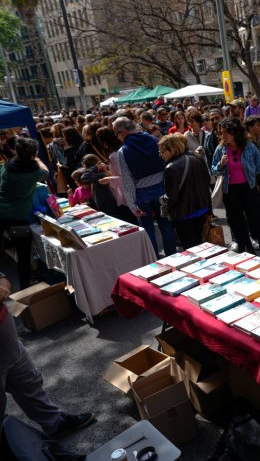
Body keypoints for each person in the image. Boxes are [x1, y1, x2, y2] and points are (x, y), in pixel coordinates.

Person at [0, 272, 95, 438]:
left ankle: (55, 423)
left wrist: (3, 287)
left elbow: (3, 278)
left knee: (29, 382)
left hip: (9, 342)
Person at [211, 117, 260, 262]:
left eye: (227, 133)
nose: (224, 136)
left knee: (259, 223)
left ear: (236, 132)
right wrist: (221, 165)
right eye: (222, 133)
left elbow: (259, 166)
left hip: (249, 188)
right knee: (238, 225)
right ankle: (247, 256)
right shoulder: (220, 148)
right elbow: (213, 170)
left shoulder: (249, 146)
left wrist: (256, 185)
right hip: (230, 191)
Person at [114, 117, 177, 257]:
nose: (117, 137)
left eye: (117, 133)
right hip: (161, 190)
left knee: (148, 231)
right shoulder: (153, 139)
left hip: (142, 194)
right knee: (166, 226)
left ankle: (154, 260)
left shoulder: (123, 151)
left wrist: (131, 204)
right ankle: (173, 256)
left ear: (124, 132)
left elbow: (127, 180)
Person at [0, 138, 49, 288]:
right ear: (33, 154)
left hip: (1, 214)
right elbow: (46, 172)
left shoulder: (8, 166)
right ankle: (25, 288)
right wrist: (38, 159)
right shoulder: (35, 172)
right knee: (24, 255)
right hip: (18, 218)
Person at [158, 133, 212, 250]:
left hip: (184, 215)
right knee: (203, 246)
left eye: (162, 151)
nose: (161, 155)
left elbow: (172, 197)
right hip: (202, 208)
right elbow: (207, 181)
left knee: (191, 249)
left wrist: (161, 199)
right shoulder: (197, 157)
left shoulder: (170, 167)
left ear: (172, 149)